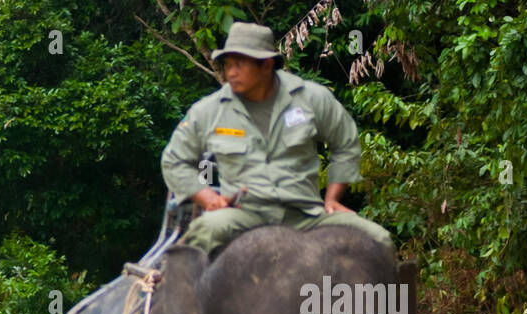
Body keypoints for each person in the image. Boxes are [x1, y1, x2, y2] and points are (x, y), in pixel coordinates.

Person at [161, 21, 394, 258]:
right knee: (201, 234)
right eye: (228, 64)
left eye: (239, 64)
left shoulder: (311, 98)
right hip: (243, 214)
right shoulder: (208, 111)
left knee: (379, 239)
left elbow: (345, 142)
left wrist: (333, 198)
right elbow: (174, 161)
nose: (231, 72)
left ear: (266, 65)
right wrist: (208, 197)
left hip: (306, 215)